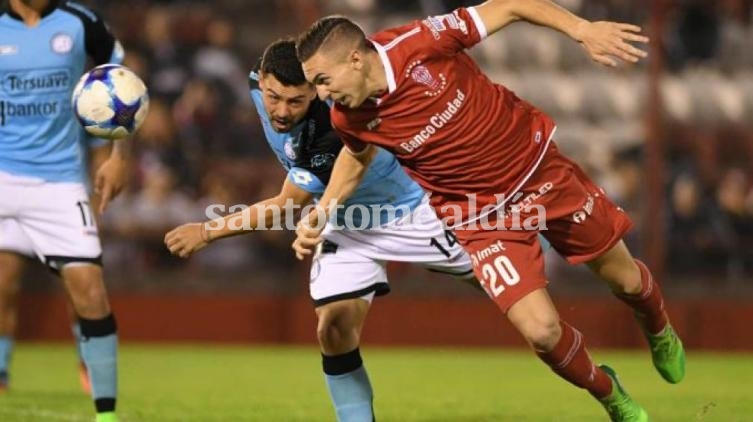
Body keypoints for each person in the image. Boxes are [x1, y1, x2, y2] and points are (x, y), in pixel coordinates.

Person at [292, 2, 685, 421]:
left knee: (624, 279)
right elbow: (356, 156)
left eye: (322, 79)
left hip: (538, 173)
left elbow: (512, 5)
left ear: (355, 59)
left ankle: (658, 327)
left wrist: (581, 29)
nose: (321, 94)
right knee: (541, 331)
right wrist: (325, 209)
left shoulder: (422, 42)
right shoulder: (347, 115)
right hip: (479, 217)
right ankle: (611, 395)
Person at [164, 39, 479, 422]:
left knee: (514, 296)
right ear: (260, 79)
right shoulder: (258, 80)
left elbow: (286, 204)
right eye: (273, 96)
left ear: (315, 88)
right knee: (333, 328)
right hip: (347, 224)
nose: (281, 110)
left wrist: (208, 231)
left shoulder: (330, 130)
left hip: (411, 212)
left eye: (295, 101)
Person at [0, 1, 127, 421]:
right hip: (3, 176)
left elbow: (120, 78)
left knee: (89, 290)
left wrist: (116, 155)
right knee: (3, 286)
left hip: (60, 180)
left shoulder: (79, 22)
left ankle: (105, 411)